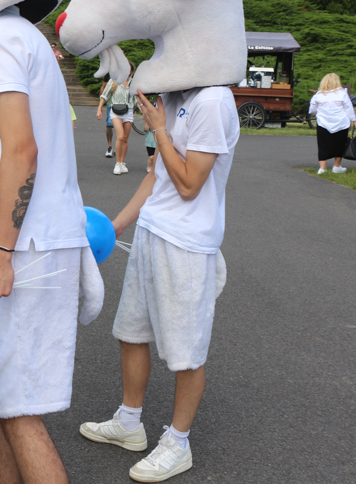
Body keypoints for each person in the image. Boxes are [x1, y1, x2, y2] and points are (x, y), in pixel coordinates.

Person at [0, 7, 102, 484]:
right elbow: (5, 164)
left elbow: (21, 151)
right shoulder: (21, 34)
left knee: (17, 410)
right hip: (39, 238)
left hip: (31, 245)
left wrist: (1, 257)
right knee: (4, 398)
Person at [79, 84, 239, 483]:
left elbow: (188, 184)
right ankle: (130, 423)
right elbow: (157, 179)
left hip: (187, 244)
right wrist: (113, 228)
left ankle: (178, 443)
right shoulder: (176, 96)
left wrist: (160, 130)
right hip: (151, 233)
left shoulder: (213, 101)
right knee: (131, 333)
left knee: (187, 351)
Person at [309, 73, 356, 174]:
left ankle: (322, 168)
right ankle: (337, 166)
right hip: (341, 123)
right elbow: (348, 108)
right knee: (340, 144)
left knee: (322, 145)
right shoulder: (342, 93)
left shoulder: (318, 95)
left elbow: (312, 110)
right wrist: (354, 120)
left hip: (323, 123)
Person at [99, 65, 138, 175]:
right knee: (120, 137)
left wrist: (144, 108)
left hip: (128, 111)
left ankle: (122, 163)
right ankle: (117, 163)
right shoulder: (113, 81)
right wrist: (99, 109)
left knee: (125, 139)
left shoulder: (133, 82)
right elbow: (104, 96)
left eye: (129, 69)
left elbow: (137, 98)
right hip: (115, 111)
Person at [100, 79, 116, 158]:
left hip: (124, 106)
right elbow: (103, 87)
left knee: (122, 127)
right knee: (109, 125)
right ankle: (110, 146)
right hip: (111, 104)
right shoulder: (109, 74)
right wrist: (101, 104)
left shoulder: (127, 74)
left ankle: (118, 146)